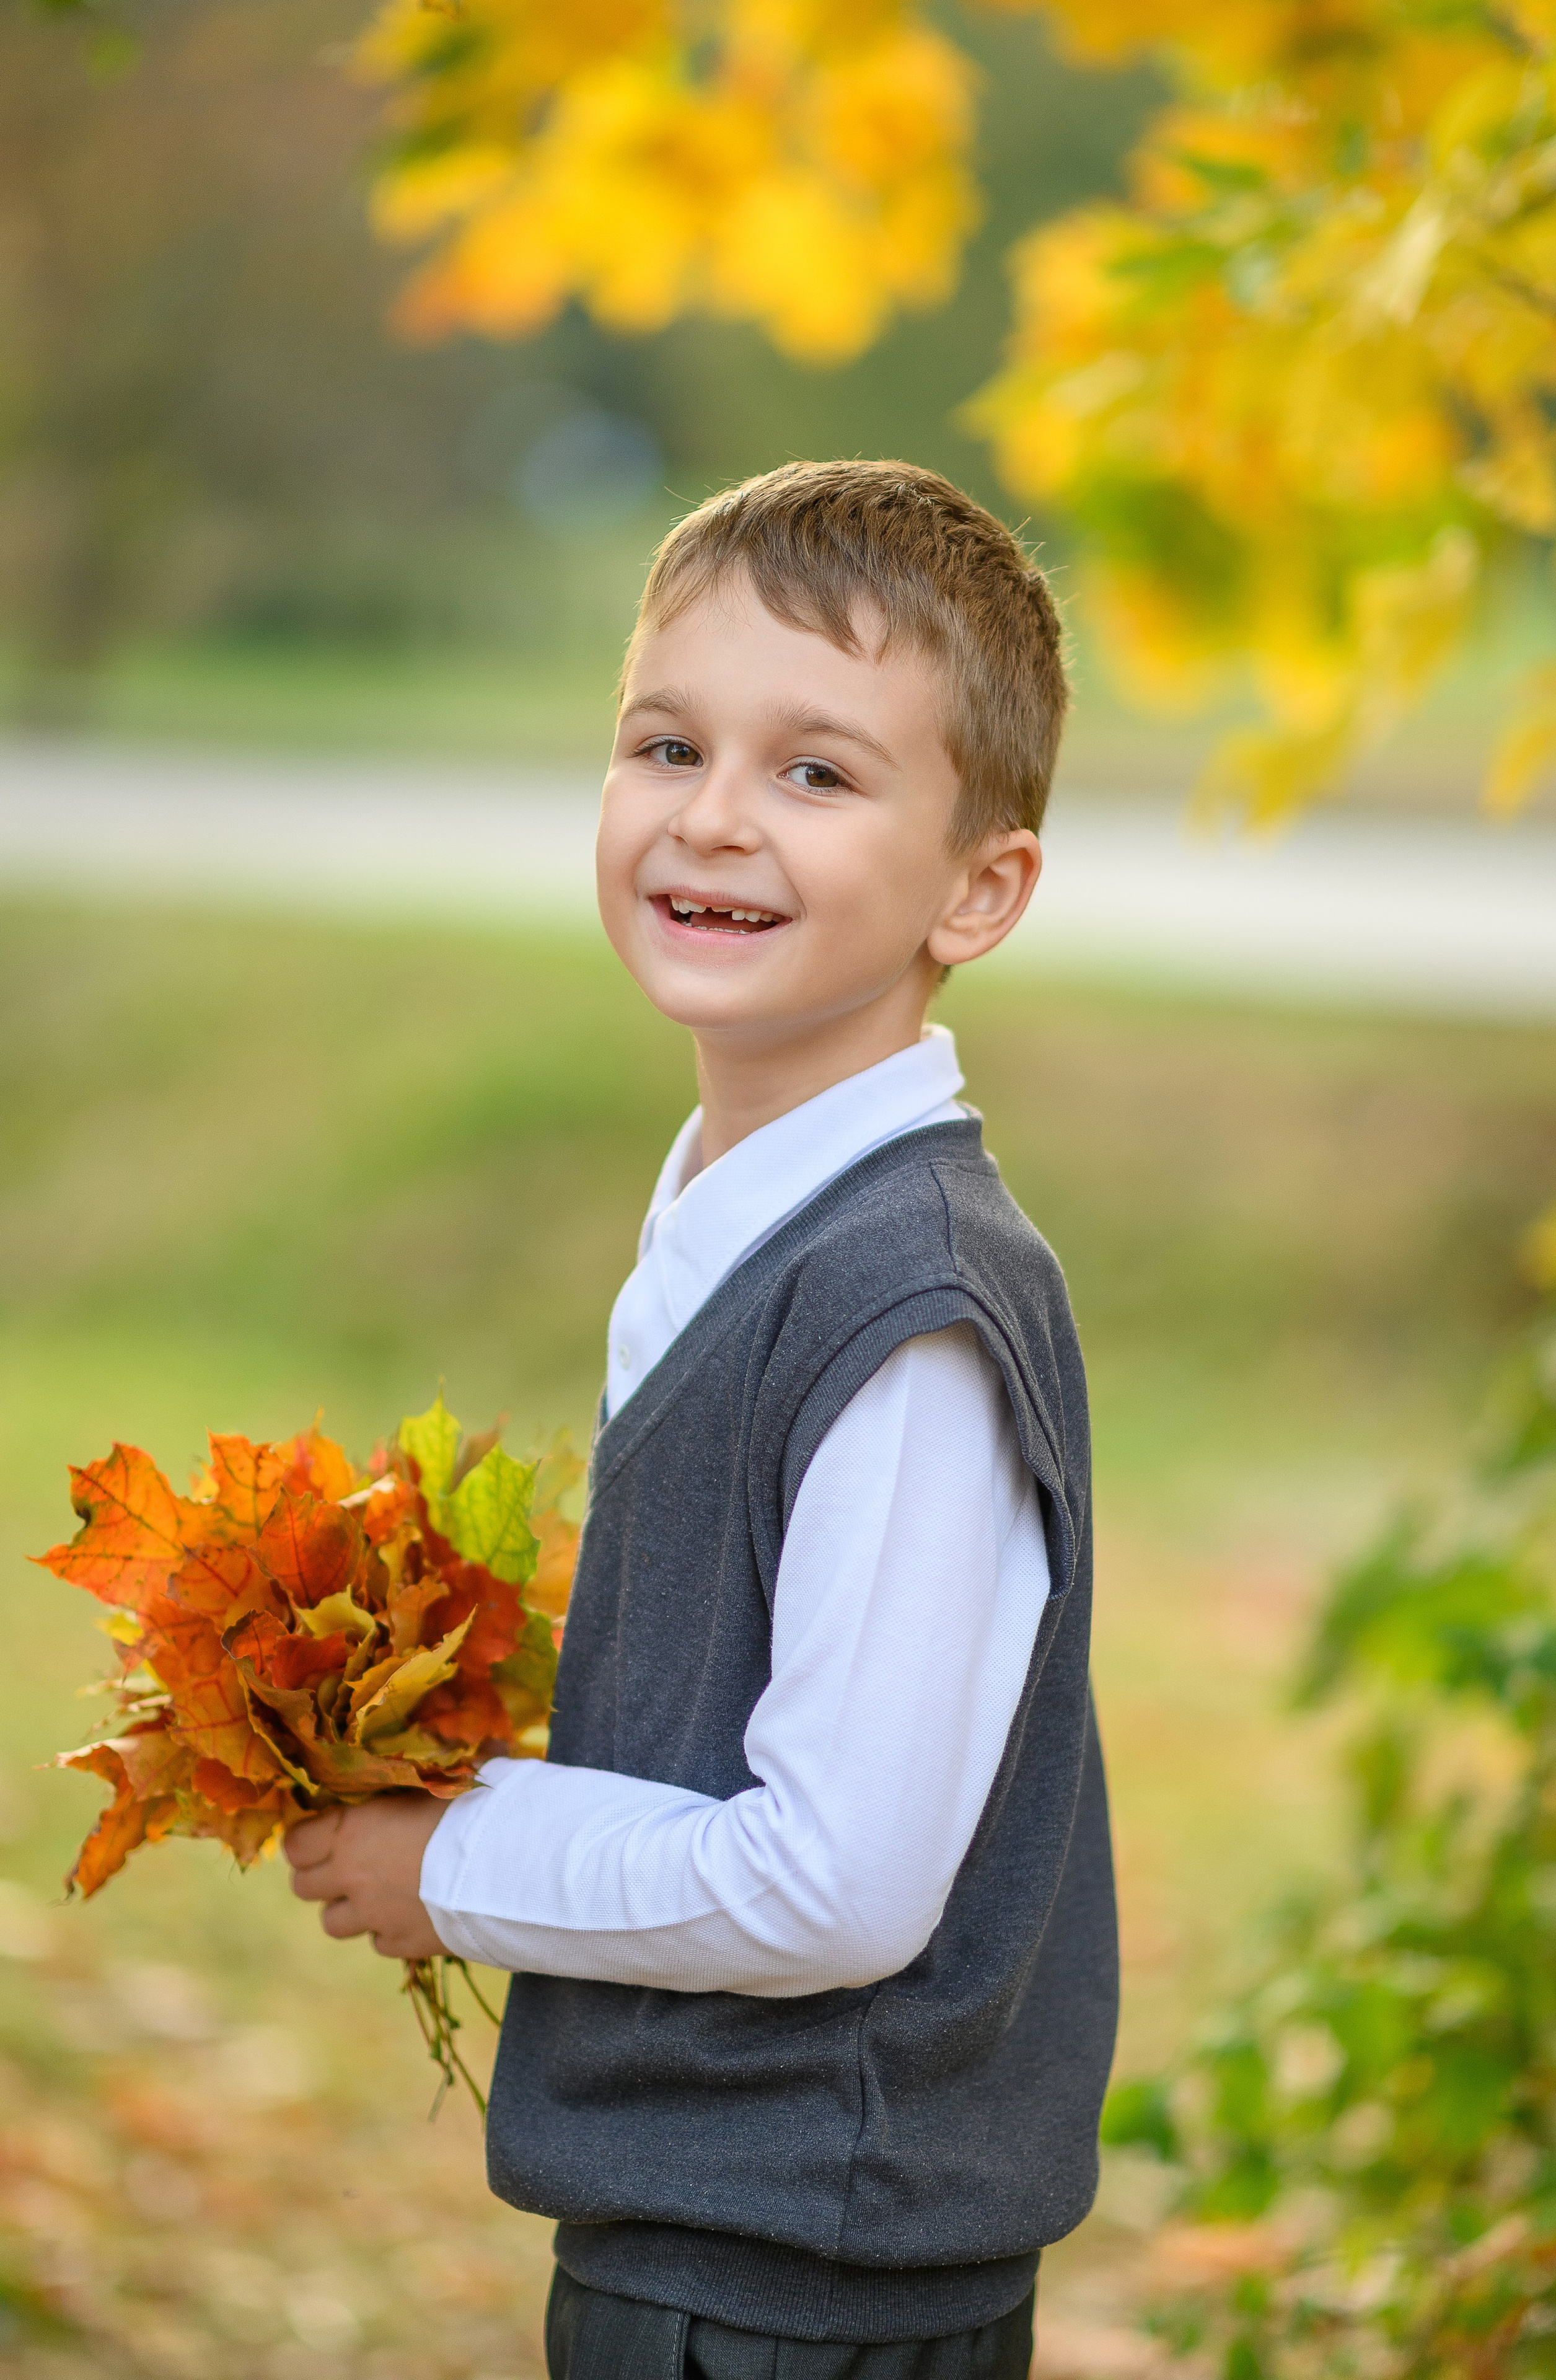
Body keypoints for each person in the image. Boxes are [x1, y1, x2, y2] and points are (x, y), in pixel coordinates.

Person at [284, 459, 1119, 2380]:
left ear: (979, 888)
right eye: (667, 744)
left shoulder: (907, 1309)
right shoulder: (749, 1210)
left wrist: (456, 1858)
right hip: (719, 2240)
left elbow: (837, 1875)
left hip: (789, 2289)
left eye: (817, 774)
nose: (714, 818)